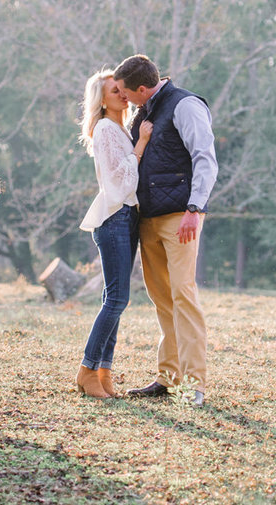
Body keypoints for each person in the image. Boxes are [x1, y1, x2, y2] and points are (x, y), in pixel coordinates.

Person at [113, 54, 217, 407]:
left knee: (183, 295)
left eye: (126, 94)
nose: (124, 100)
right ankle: (168, 377)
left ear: (142, 89)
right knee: (161, 299)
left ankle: (193, 385)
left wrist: (194, 207)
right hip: (148, 219)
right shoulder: (144, 112)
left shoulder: (185, 105)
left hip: (180, 217)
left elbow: (205, 157)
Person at [75, 69, 152, 399]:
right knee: (118, 298)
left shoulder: (121, 128)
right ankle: (87, 370)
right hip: (114, 218)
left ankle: (104, 373)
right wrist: (141, 146)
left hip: (127, 218)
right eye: (114, 90)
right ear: (102, 100)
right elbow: (117, 181)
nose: (123, 94)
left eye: (122, 89)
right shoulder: (106, 129)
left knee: (115, 299)